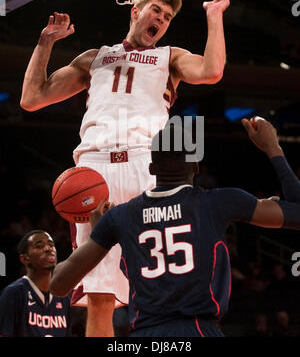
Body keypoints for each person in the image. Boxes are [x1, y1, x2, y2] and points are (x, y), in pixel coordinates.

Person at [20, 0, 230, 336]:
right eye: (157, 11)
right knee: (100, 294)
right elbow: (32, 98)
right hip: (93, 170)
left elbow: (211, 70)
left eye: (167, 17)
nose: (161, 20)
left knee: (160, 283)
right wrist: (45, 42)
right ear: (136, 11)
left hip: (146, 165)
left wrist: (214, 16)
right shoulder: (93, 57)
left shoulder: (170, 57)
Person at [50, 116, 300, 337]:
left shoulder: (119, 217)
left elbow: (58, 284)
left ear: (151, 168)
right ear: (195, 166)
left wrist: (98, 231)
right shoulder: (220, 202)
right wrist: (273, 148)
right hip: (200, 329)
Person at [0, 230, 71, 337]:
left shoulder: (63, 297)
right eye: (39, 246)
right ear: (24, 258)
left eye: (51, 245)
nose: (48, 248)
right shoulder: (14, 293)